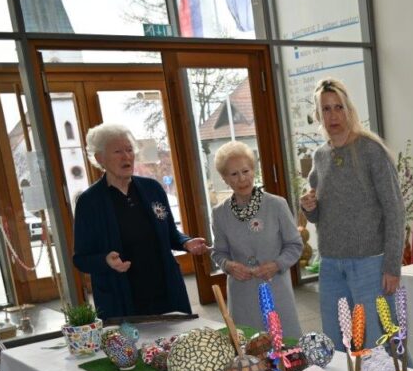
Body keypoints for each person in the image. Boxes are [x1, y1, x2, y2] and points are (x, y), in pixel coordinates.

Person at [299, 77, 405, 351]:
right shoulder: (320, 156)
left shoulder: (371, 150)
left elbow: (395, 210)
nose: (333, 115)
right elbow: (319, 215)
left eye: (338, 107)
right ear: (318, 115)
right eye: (326, 109)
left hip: (370, 264)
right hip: (331, 265)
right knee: (336, 343)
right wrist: (309, 207)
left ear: (349, 110)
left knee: (379, 345)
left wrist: (392, 265)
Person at [73, 123, 208, 320]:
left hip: (165, 289)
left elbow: (171, 234)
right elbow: (81, 258)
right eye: (118, 151)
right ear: (100, 158)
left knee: (177, 338)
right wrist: (105, 260)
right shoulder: (89, 202)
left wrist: (186, 242)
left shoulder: (152, 189)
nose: (126, 156)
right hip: (121, 297)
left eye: (129, 150)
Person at [210, 141, 303, 338]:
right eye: (234, 174)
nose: (242, 178)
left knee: (287, 345)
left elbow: (294, 245)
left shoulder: (277, 205)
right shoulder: (219, 213)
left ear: (254, 171)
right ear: (225, 178)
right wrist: (228, 265)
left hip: (276, 288)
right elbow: (218, 252)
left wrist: (277, 264)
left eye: (246, 171)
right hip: (242, 294)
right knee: (248, 348)